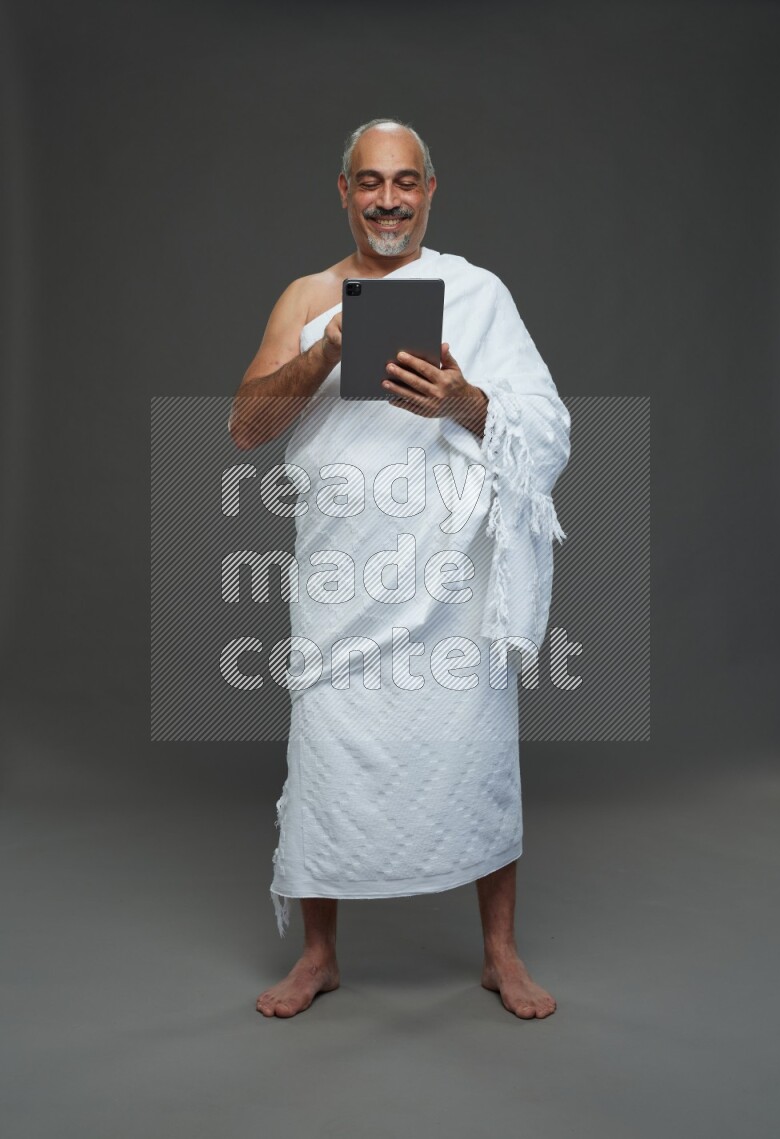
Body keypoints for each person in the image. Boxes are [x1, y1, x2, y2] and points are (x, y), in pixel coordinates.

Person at [228, 118, 570, 1020]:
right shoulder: (307, 296)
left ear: (429, 192)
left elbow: (549, 425)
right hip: (342, 575)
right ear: (343, 192)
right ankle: (319, 956)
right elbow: (248, 426)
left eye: (406, 182)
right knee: (328, 751)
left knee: (477, 747)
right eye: (370, 182)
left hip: (452, 579)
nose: (389, 200)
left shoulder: (477, 292)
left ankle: (501, 952)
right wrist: (328, 350)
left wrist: (466, 402)